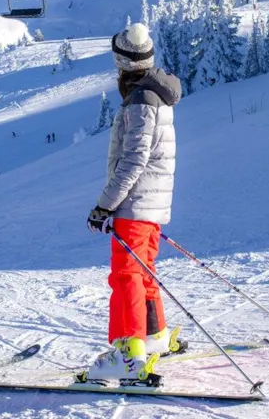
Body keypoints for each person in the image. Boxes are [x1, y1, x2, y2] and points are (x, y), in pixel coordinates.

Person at [84, 23, 182, 383]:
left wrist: (105, 204)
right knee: (142, 273)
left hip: (136, 203)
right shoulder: (155, 93)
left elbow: (134, 160)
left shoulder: (141, 100)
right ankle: (154, 336)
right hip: (151, 204)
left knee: (125, 275)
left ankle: (129, 352)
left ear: (121, 61)